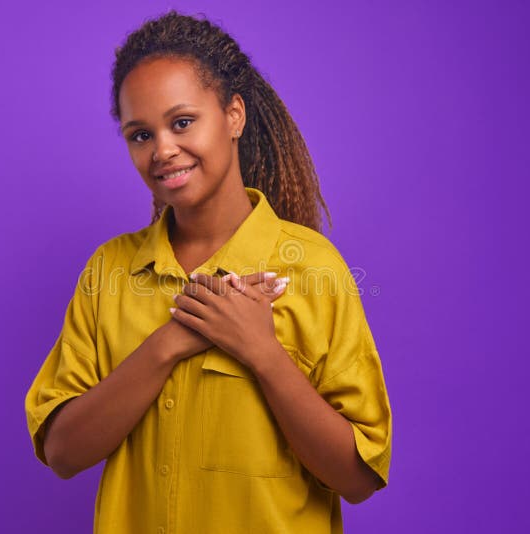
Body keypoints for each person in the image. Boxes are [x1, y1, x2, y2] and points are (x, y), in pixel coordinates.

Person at [25, 10, 392, 533]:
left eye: (181, 122)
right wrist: (169, 343)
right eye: (139, 134)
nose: (163, 150)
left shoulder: (313, 271)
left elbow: (358, 478)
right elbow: (62, 453)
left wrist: (262, 353)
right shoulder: (109, 272)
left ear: (234, 115)